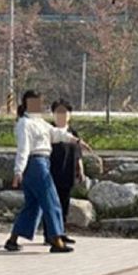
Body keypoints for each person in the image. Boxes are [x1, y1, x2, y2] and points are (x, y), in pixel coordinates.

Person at [4, 90, 92, 254]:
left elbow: (56, 134)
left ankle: (12, 240)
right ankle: (56, 240)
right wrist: (18, 171)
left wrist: (76, 141)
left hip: (42, 162)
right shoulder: (24, 124)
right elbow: (23, 149)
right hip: (36, 164)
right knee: (52, 201)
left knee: (33, 206)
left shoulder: (40, 122)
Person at [41, 98, 86, 245]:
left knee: (64, 204)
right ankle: (49, 234)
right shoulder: (49, 131)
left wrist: (80, 168)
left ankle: (61, 232)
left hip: (68, 172)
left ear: (70, 114)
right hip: (52, 172)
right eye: (58, 112)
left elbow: (78, 153)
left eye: (65, 112)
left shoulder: (73, 132)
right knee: (51, 205)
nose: (61, 115)